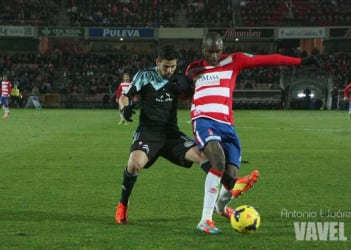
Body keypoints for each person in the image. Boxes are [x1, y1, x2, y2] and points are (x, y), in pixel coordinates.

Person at [185, 32, 318, 234]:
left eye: (217, 51)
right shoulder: (193, 68)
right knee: (218, 161)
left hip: (227, 124)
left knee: (232, 178)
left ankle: (221, 208)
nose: (214, 56)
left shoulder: (234, 60)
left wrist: (300, 61)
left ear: (222, 49)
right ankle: (205, 220)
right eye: (210, 51)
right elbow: (183, 91)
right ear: (202, 49)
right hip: (203, 120)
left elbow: (269, 59)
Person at [115, 45, 258, 225]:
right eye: (166, 66)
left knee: (204, 156)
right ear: (157, 62)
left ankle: (226, 195)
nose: (169, 70)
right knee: (135, 165)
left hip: (172, 134)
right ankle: (123, 204)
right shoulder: (144, 75)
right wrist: (124, 109)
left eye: (173, 66)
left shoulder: (179, 79)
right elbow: (125, 96)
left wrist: (188, 88)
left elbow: (196, 91)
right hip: (149, 132)